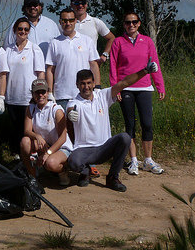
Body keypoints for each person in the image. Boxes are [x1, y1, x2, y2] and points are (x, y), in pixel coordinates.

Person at [66, 59, 159, 192]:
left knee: (125, 138)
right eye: (82, 84)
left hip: (104, 147)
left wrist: (145, 71)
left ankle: (112, 178)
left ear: (93, 83)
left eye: (88, 83)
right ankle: (85, 171)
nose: (86, 87)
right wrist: (70, 115)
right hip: (84, 150)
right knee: (73, 162)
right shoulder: (74, 102)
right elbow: (71, 110)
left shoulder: (102, 95)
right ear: (77, 85)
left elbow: (124, 83)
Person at [110, 12, 166, 175]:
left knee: (147, 124)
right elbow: (113, 65)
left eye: (134, 22)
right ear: (124, 25)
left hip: (144, 87)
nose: (131, 25)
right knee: (130, 125)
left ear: (139, 23)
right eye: (128, 22)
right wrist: (116, 88)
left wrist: (160, 85)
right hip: (126, 88)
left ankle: (148, 160)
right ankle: (134, 160)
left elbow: (154, 64)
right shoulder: (118, 42)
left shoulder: (147, 41)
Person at [0, 17, 46, 155]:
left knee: (28, 131)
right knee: (15, 130)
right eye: (20, 29)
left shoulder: (34, 49)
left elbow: (41, 74)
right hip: (12, 97)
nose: (23, 31)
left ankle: (31, 157)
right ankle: (15, 157)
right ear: (15, 30)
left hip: (28, 99)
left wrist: (40, 95)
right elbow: (3, 74)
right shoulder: (7, 50)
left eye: (26, 29)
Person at [45, 8, 100, 111]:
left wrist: (97, 87)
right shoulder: (54, 43)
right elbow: (50, 69)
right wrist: (50, 92)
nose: (68, 23)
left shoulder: (86, 40)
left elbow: (93, 65)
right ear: (60, 22)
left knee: (84, 126)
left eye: (71, 20)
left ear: (75, 21)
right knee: (64, 127)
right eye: (65, 20)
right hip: (62, 96)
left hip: (84, 93)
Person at [20, 79, 72, 184]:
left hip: (61, 146)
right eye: (37, 92)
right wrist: (37, 136)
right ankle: (32, 175)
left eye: (43, 92)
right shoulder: (31, 109)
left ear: (47, 93)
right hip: (45, 144)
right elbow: (27, 131)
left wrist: (48, 153)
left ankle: (63, 170)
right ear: (33, 94)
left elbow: (63, 138)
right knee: (25, 142)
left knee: (51, 163)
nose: (40, 95)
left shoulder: (56, 110)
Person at [70, 0, 115, 65]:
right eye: (77, 3)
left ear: (87, 4)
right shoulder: (66, 24)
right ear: (72, 5)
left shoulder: (95, 22)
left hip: (91, 68)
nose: (80, 5)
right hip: (71, 67)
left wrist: (105, 55)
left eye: (83, 2)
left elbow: (111, 38)